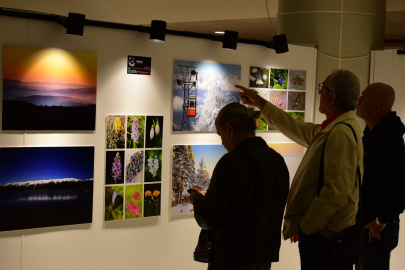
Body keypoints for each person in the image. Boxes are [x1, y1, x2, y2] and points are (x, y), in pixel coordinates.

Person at [237, 69, 363, 270]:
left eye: (322, 88)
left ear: (332, 97)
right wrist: (261, 104)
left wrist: (307, 226)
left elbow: (336, 193)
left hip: (325, 237)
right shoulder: (335, 128)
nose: (319, 92)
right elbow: (298, 129)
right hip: (324, 234)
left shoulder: (340, 134)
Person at [189, 102, 290, 270]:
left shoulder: (230, 164)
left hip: (232, 260)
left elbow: (209, 218)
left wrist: (197, 199)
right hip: (264, 260)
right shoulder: (277, 161)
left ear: (229, 129)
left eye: (220, 134)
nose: (222, 142)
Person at [355, 82, 405, 270]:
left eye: (363, 97)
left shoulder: (388, 138)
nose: (358, 101)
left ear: (376, 108)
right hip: (367, 224)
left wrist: (380, 221)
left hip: (375, 230)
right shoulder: (373, 133)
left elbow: (400, 187)